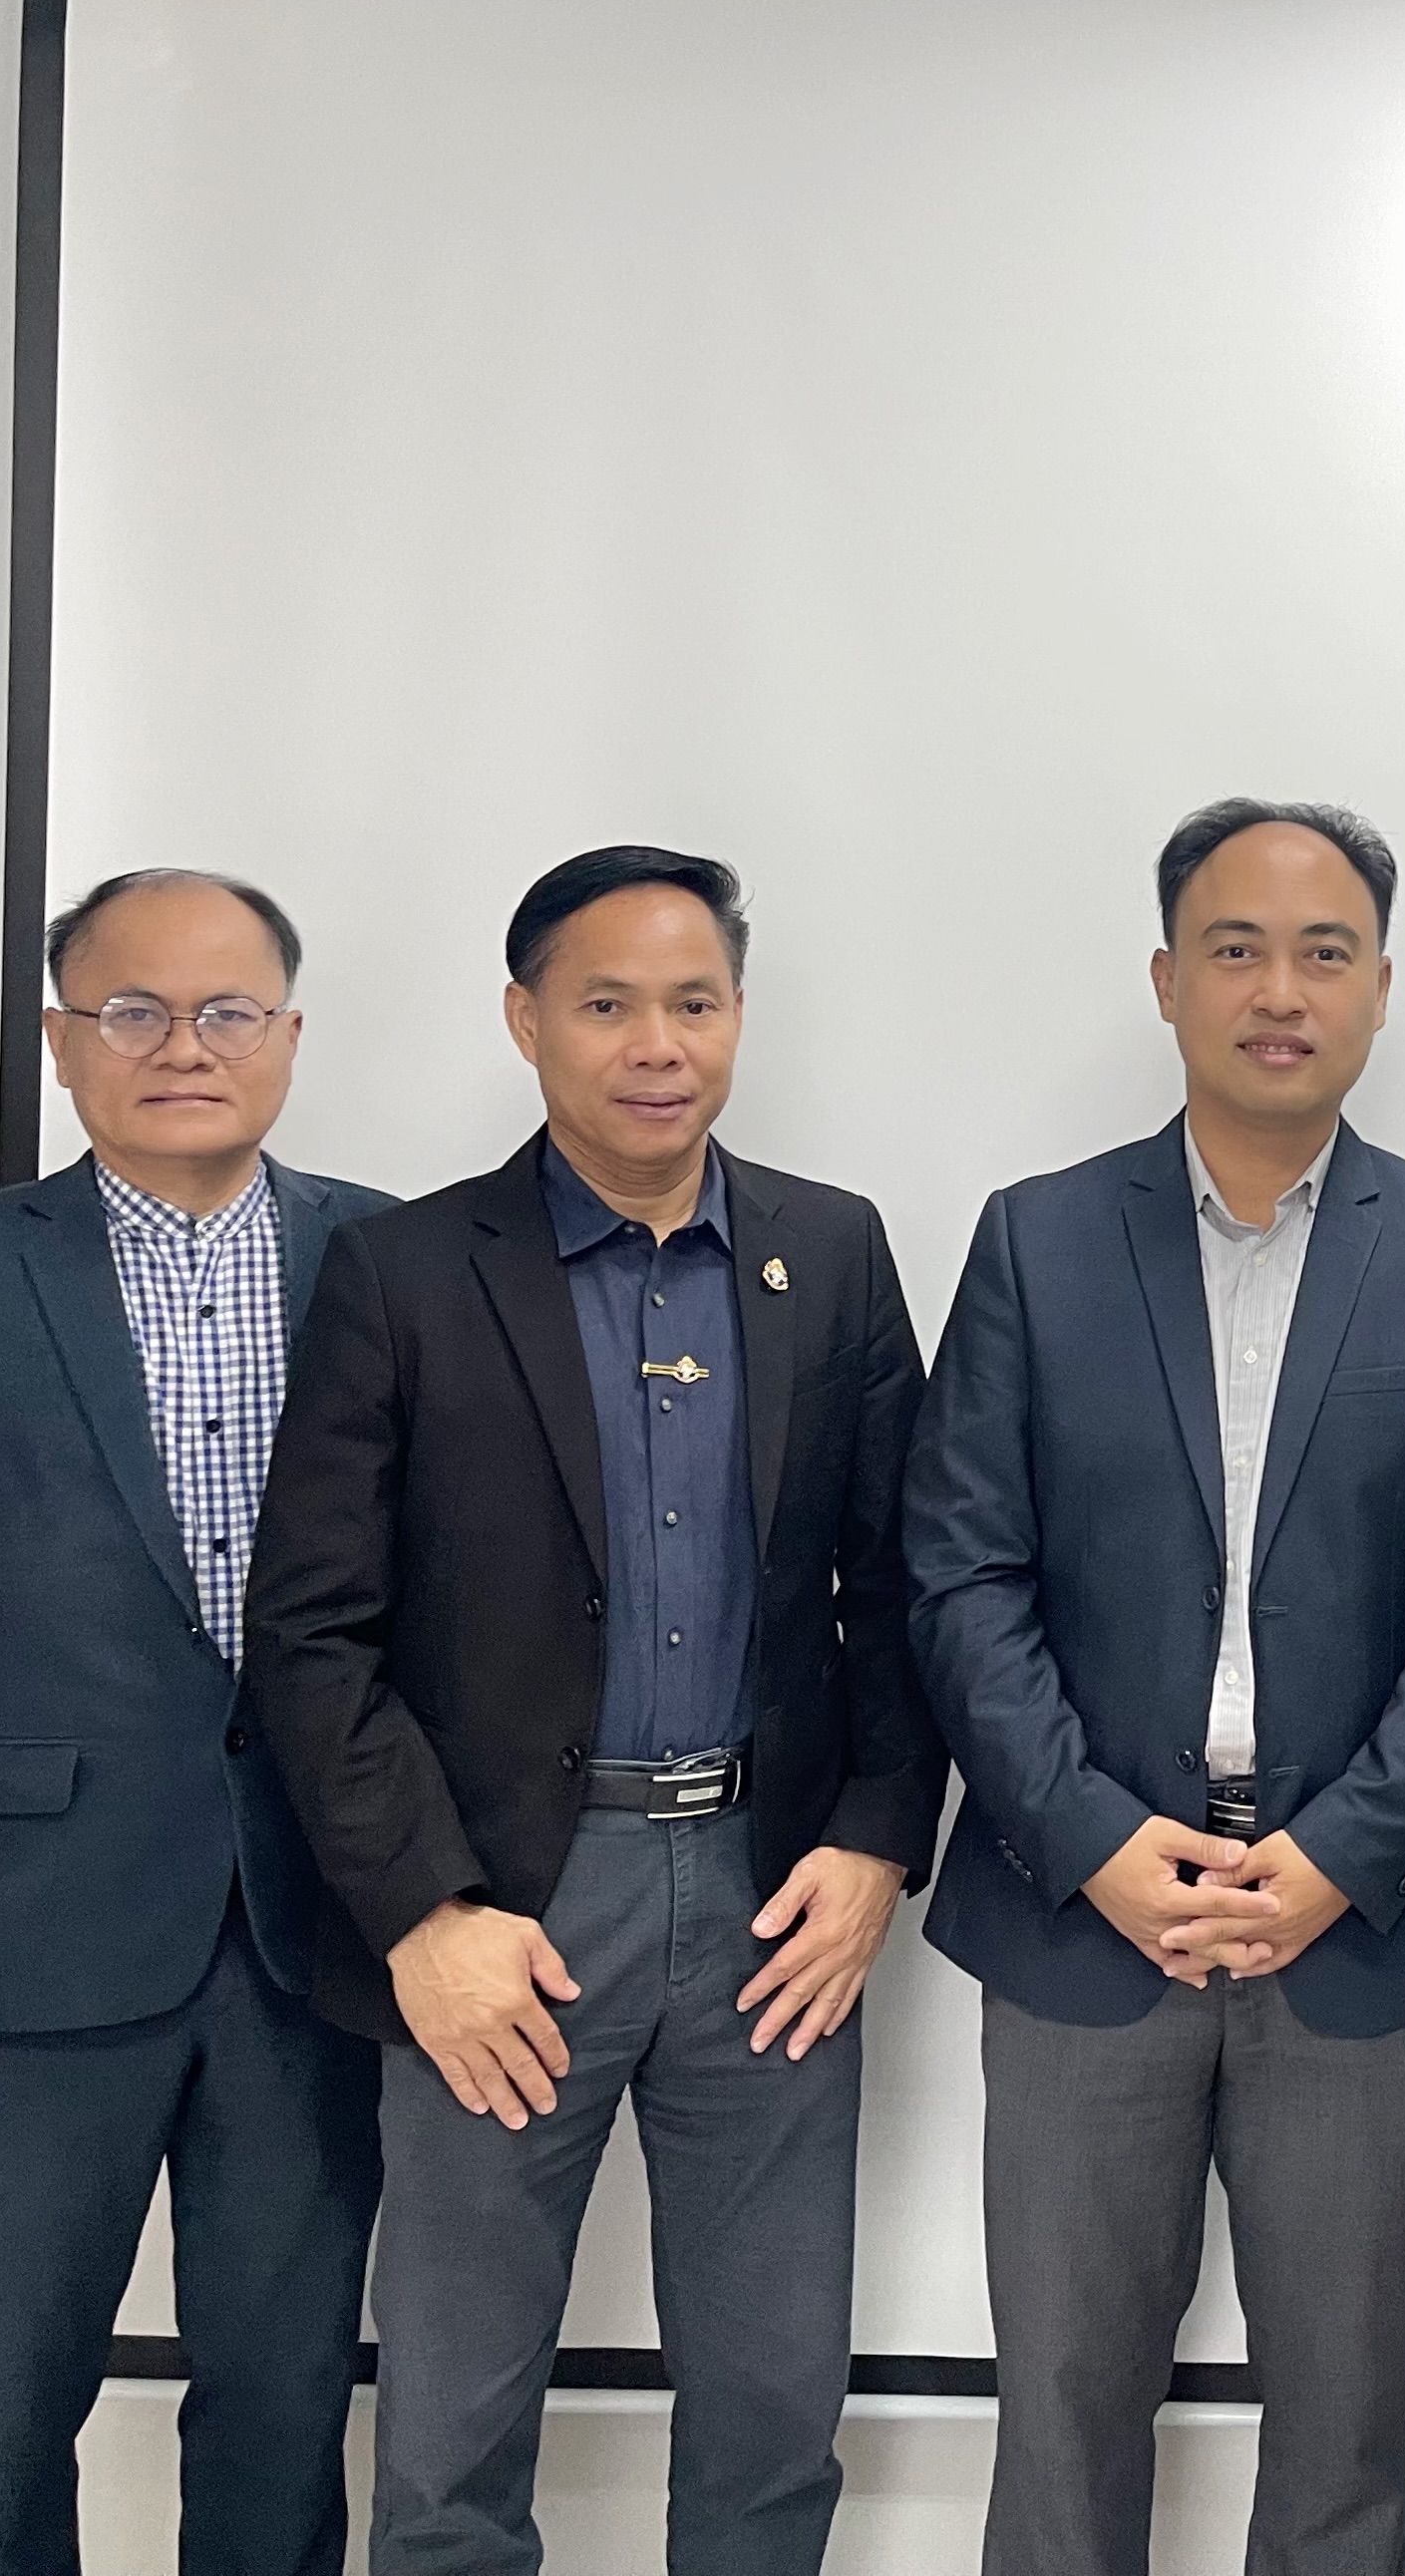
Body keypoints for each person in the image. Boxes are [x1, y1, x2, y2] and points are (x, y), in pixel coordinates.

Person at [241, 846, 945, 2576]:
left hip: (774, 1899)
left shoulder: (830, 1252)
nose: (657, 1045)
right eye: (608, 1004)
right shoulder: (406, 1270)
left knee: (774, 2415)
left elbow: (907, 1585)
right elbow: (313, 1634)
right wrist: (423, 1914)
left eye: (694, 1003)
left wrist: (874, 1844)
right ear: (526, 1021)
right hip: (506, 1910)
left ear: (738, 1018)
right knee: (453, 2435)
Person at [904, 799, 1405, 2576]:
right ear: (1167, 979)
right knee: (1060, 2417)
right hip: (1085, 1916)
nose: (1282, 991)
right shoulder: (1038, 1238)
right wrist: (1094, 1839)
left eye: (1325, 953)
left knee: (1347, 2430)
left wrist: (1343, 1850)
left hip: (1358, 1923)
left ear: (1379, 988)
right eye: (1238, 950)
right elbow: (960, 1569)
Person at [0, 867, 393, 2576]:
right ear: (62, 1042)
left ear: (289, 1037)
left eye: (226, 1012)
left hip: (320, 1938)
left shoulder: (399, 1262)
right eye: (132, 1011)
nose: (182, 1046)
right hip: (25, 1951)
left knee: (283, 2414)